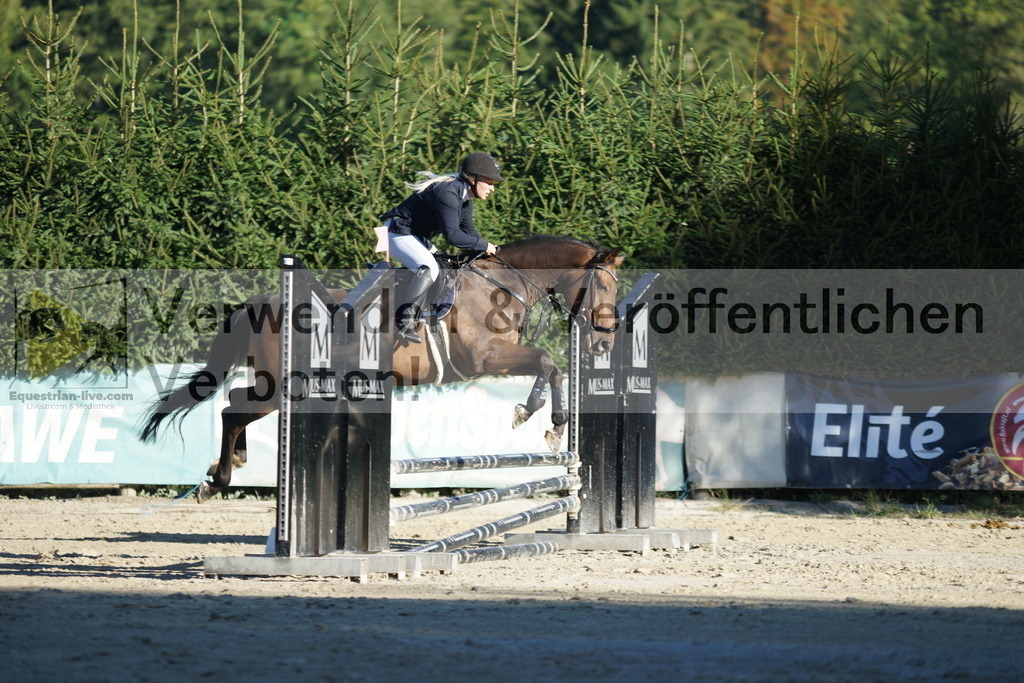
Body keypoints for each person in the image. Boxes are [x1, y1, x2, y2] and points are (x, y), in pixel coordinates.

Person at [380, 152, 503, 343]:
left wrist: (489, 251)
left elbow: (469, 232)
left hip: (415, 236)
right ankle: (404, 320)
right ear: (473, 179)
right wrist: (483, 245)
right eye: (489, 182)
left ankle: (425, 311)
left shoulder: (464, 200)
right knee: (429, 268)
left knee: (444, 267)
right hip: (396, 232)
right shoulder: (448, 193)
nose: (492, 188)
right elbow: (452, 236)